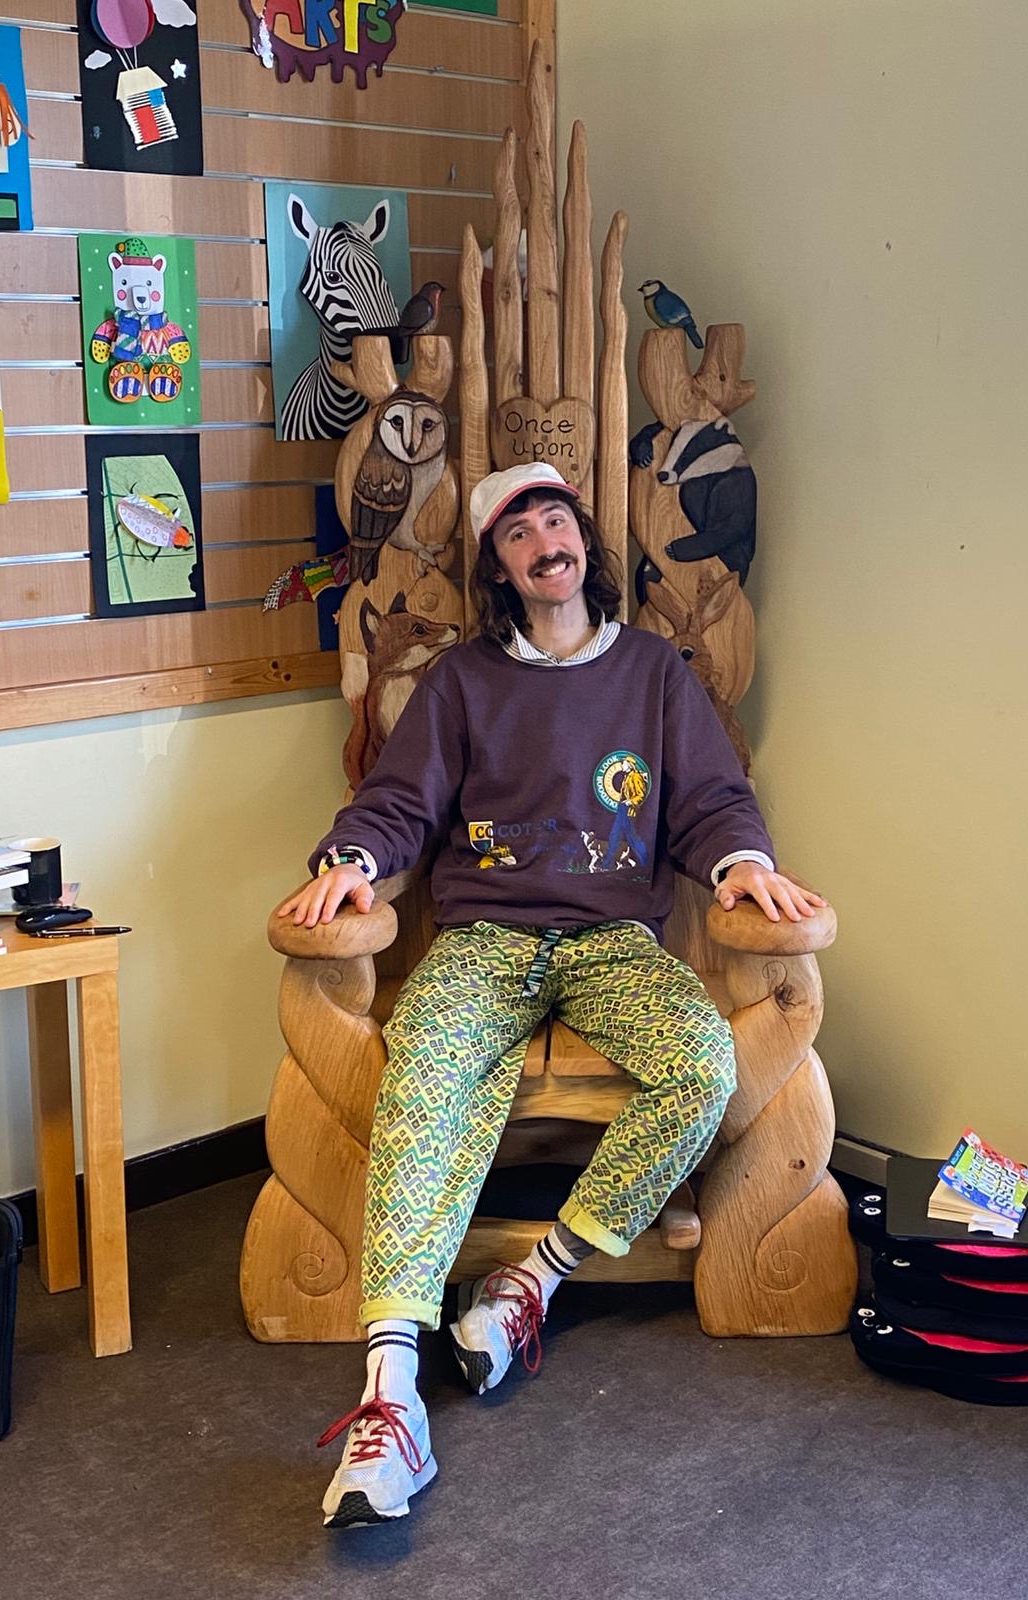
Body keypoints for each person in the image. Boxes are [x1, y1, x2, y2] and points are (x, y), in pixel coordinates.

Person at [278, 463, 827, 1530]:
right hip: (485, 939)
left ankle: (534, 1279)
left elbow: (713, 798)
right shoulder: (461, 682)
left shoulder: (658, 675)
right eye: (519, 532)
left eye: (556, 519)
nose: (544, 540)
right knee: (424, 1075)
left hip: (612, 935)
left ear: (584, 541)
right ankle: (391, 1396)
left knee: (702, 1066)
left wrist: (741, 864)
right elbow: (399, 800)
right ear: (501, 568)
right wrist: (351, 857)